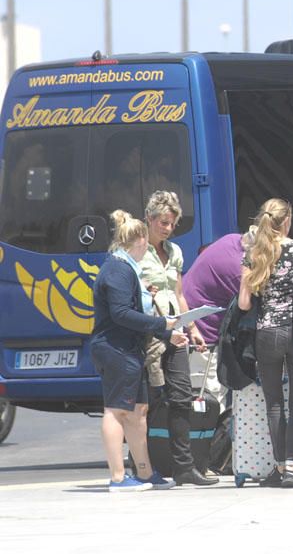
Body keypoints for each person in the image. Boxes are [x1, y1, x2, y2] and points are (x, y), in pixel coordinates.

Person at [91, 210, 184, 492]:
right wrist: (161, 322)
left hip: (128, 348)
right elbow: (120, 313)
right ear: (140, 241)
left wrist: (168, 333)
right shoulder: (119, 269)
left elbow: (132, 312)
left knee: (138, 410)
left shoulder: (126, 267)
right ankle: (118, 478)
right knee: (116, 411)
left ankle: (145, 473)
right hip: (116, 348)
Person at [238, 198, 293, 488]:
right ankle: (292, 467)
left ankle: (277, 467)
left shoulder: (254, 253)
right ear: (286, 221)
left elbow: (244, 303)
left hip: (267, 332)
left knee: (274, 402)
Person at [138, 191, 217, 486]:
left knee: (182, 395)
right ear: (149, 218)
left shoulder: (174, 253)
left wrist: (194, 329)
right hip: (151, 333)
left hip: (176, 332)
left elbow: (180, 294)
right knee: (149, 400)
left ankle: (184, 466)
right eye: (163, 222)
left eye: (172, 224)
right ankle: (142, 464)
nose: (167, 229)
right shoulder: (136, 251)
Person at [182, 228, 256, 404]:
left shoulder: (231, 239)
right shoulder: (238, 270)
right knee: (209, 396)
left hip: (187, 319)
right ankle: (208, 430)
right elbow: (247, 306)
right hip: (202, 334)